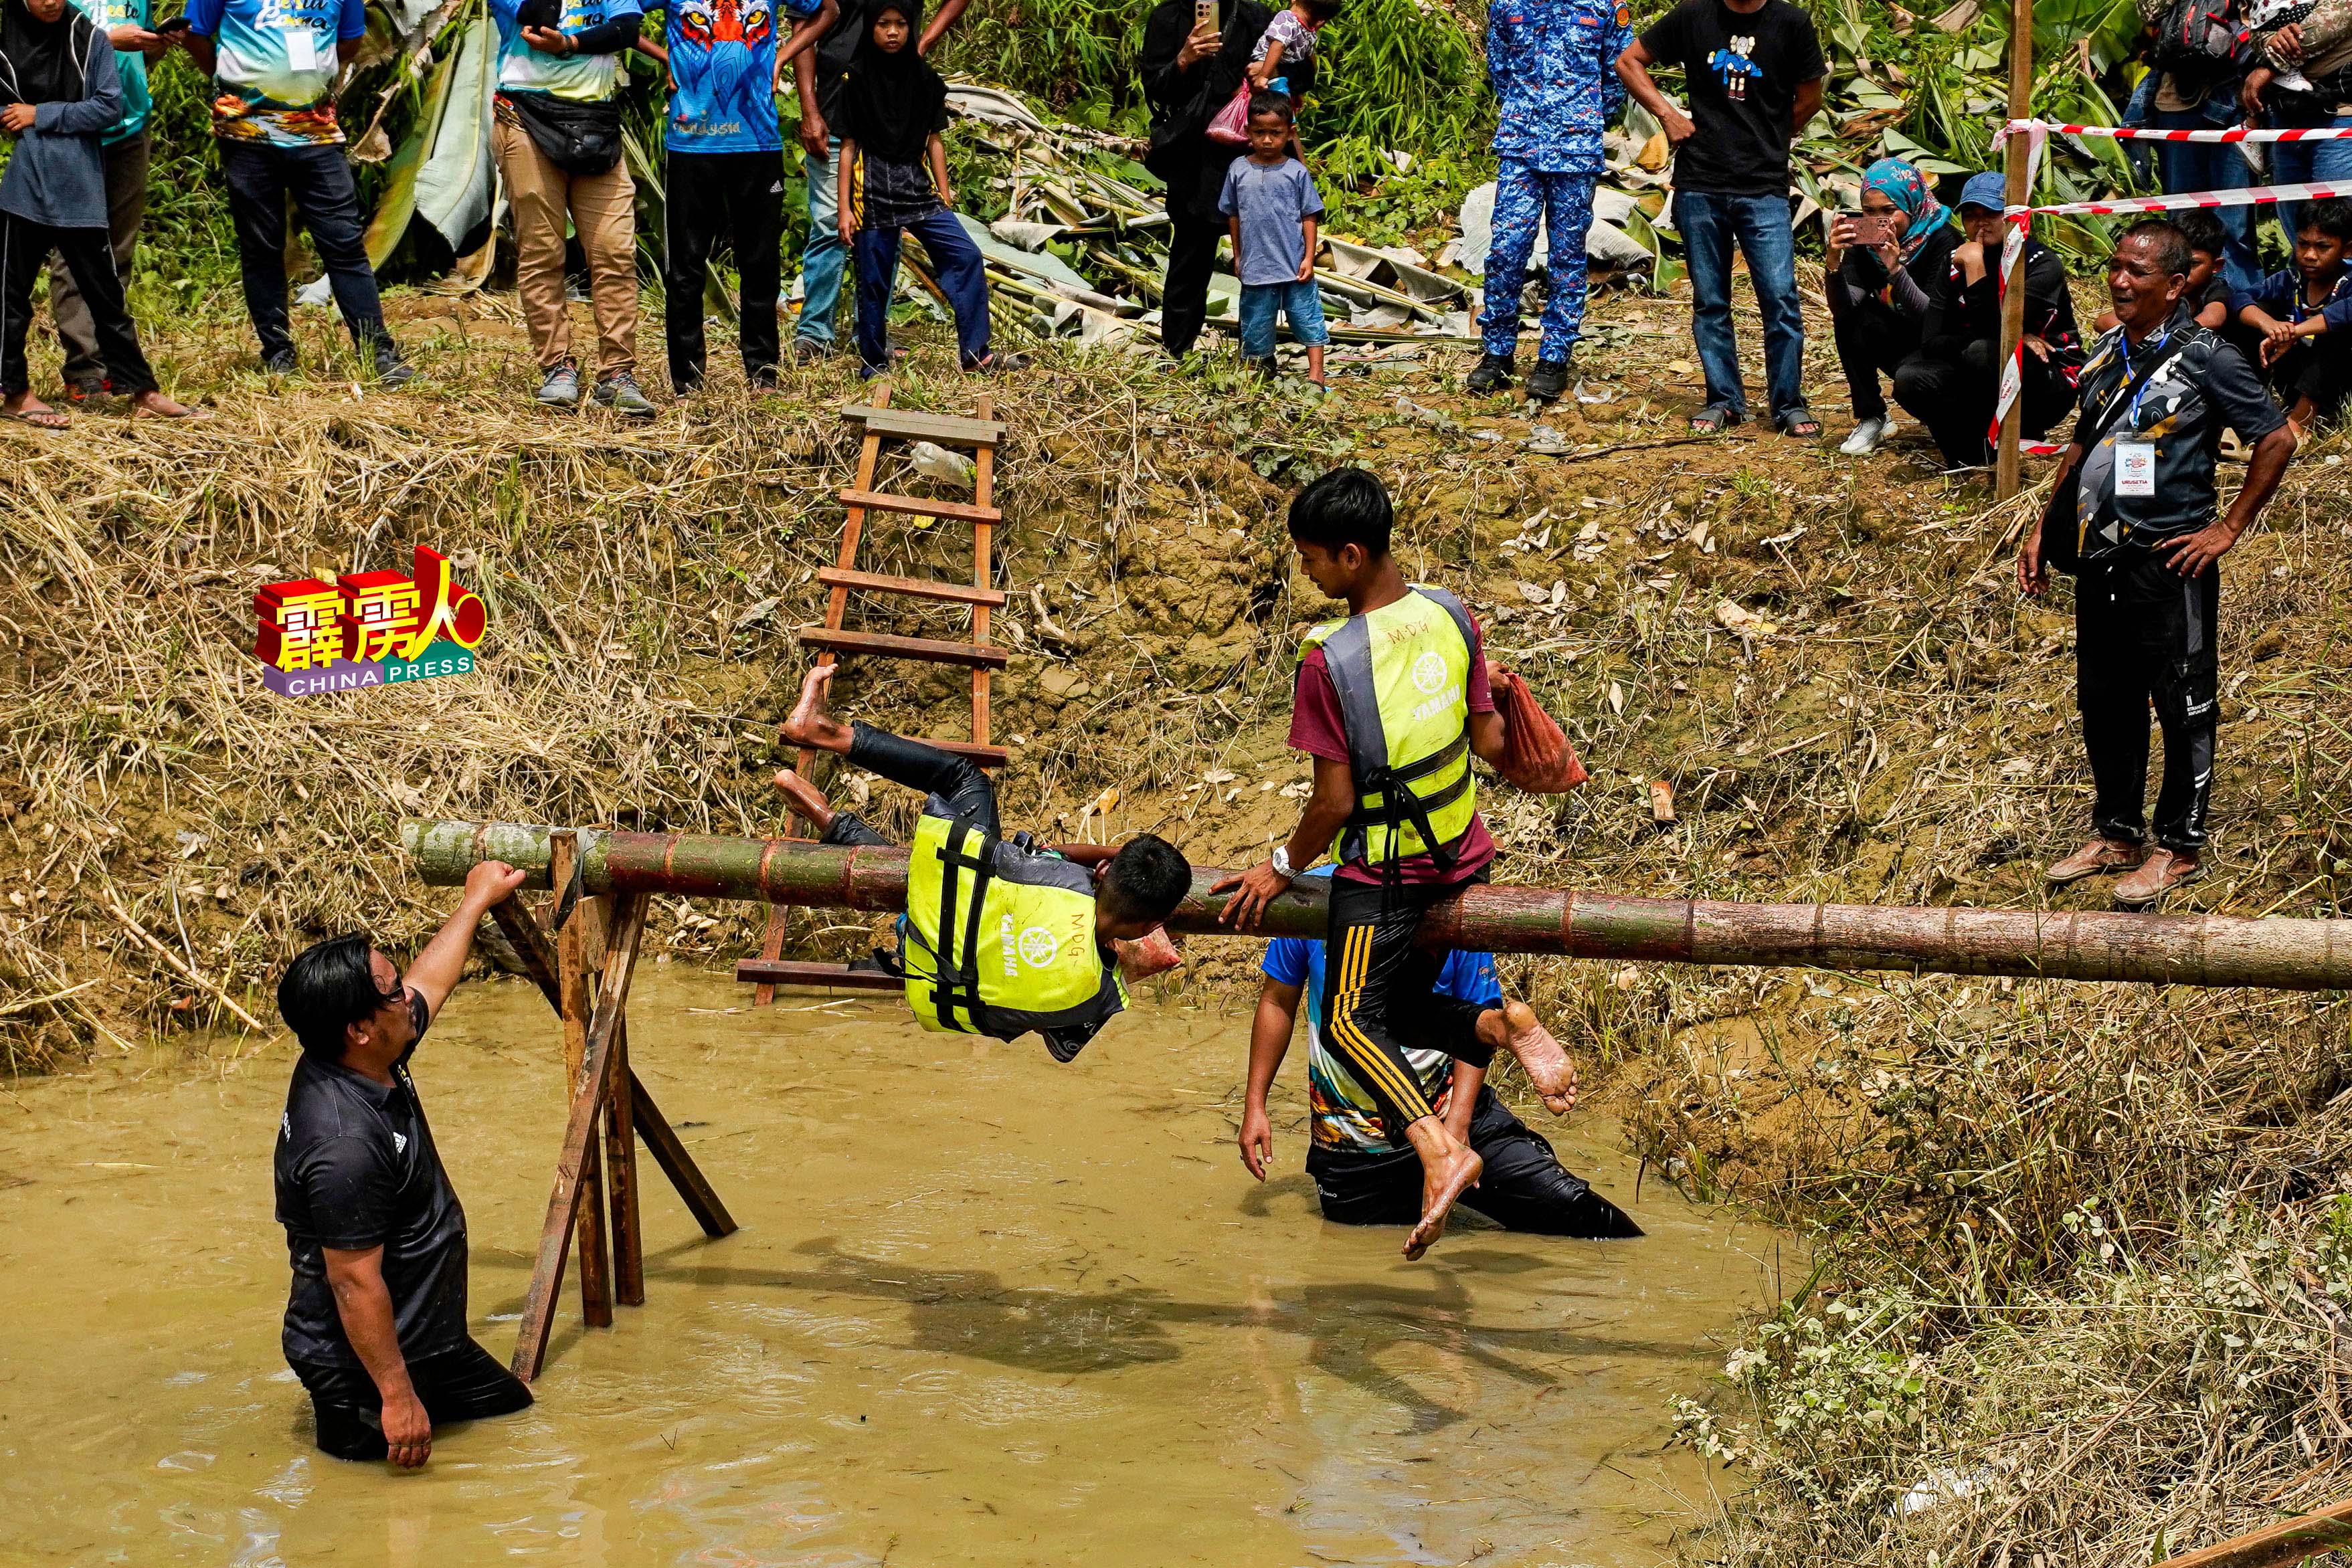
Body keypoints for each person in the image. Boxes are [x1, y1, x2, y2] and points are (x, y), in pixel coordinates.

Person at [1213, 466, 1582, 1261]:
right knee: (1400, 1005)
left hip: (1387, 873)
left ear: (1350, 555)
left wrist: (1278, 865)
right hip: (1464, 857)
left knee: (1346, 1020)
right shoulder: (1451, 614)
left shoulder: (1329, 659)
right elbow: (1487, 744)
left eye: (1311, 558)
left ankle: (1438, 1149)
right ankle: (1496, 1021)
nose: (1306, 573)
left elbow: (1334, 805)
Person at [2019, 219, 2297, 906]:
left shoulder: (2209, 357)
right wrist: (2042, 530)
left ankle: (2178, 846)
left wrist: (2226, 528)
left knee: (2181, 703)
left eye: (2137, 272)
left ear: (2175, 285)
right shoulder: (2110, 351)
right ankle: (2116, 832)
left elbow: (2276, 438)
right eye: (2114, 266)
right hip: (2098, 559)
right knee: (2104, 700)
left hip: (2169, 562)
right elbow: (2083, 446)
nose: (2118, 280)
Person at [774, 664, 1192, 1054]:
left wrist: (1114, 853)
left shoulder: (1064, 880)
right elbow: (1061, 1043)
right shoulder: (1103, 995)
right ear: (1153, 925)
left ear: (1102, 872)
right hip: (924, 965)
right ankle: (828, 818)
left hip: (938, 916)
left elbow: (1054, 853)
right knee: (942, 904)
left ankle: (826, 732)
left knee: (965, 786)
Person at [274, 858, 536, 1467]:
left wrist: (474, 903)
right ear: (361, 1027)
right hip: (365, 1365)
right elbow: (352, 1279)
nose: (407, 1000)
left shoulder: (359, 1053)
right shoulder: (343, 1147)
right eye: (391, 993)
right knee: (372, 1505)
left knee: (515, 1423)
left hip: (428, 1343)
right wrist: (396, 1397)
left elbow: (429, 987)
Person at [1245, 866, 1641, 1238]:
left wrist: (1457, 1130)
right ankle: (1496, 1034)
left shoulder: (1454, 907)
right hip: (1357, 1149)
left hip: (1458, 1119)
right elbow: (1278, 1001)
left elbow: (1476, 1004)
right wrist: (1255, 1106)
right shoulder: (1317, 897)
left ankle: (1490, 1054)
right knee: (1364, 1278)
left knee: (1588, 1218)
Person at [1616, 0, 1825, 437]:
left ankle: (1787, 403)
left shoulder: (1790, 23)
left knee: (1780, 299)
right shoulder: (1693, 17)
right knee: (1710, 301)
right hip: (1700, 184)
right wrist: (1668, 115)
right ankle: (1724, 400)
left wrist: (1769, 136)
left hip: (1763, 187)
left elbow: (1810, 97)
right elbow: (1629, 61)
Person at [180, 0, 416, 383]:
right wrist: (228, 83)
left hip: (317, 134)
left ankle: (378, 354)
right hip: (245, 134)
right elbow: (195, 34)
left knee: (344, 243)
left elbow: (348, 42)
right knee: (262, 247)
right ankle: (278, 353)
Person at [0, 0, 198, 426]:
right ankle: (16, 393)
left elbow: (110, 107)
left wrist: (41, 113)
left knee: (106, 293)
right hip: (27, 188)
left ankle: (142, 390)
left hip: (78, 187)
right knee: (10, 295)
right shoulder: (6, 45)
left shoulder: (89, 39)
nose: (50, 1)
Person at [651, 0, 835, 395]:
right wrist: (666, 55)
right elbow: (625, 14)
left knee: (760, 264)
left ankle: (763, 372)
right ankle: (688, 381)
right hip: (690, 144)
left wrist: (781, 58)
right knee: (686, 267)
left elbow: (827, 11)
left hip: (757, 142)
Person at [490, 0, 655, 415]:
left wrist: (569, 42)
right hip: (524, 118)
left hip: (595, 122)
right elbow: (537, 16)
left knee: (615, 250)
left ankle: (618, 373)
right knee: (543, 251)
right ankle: (557, 367)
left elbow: (627, 28)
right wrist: (570, 39)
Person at [1465, 0, 1633, 402]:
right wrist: (1529, 110)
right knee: (1506, 247)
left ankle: (1555, 355)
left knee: (1567, 253)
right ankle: (1498, 352)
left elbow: (1619, 72)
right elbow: (1500, 68)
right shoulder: (1508, 4)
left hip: (1576, 147)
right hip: (1521, 143)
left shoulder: (1607, 6)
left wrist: (1584, 116)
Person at [834, 0, 1008, 374]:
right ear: (871, 28)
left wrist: (944, 194)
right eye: (884, 24)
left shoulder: (925, 79)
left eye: (900, 24)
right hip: (873, 191)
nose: (893, 32)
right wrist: (845, 208)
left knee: (966, 257)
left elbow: (934, 139)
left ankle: (977, 353)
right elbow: (848, 147)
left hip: (917, 187)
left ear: (912, 27)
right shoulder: (857, 78)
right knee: (874, 281)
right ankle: (873, 363)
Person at [785, 0, 962, 361]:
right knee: (830, 224)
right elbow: (803, 28)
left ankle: (870, 333)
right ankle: (815, 333)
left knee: (886, 230)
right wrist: (809, 108)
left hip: (895, 119)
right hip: (835, 107)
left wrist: (923, 43)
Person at [1893, 170, 2083, 469]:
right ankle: (1970, 457)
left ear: (2012, 217)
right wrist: (2015, 335)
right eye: (1971, 215)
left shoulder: (2039, 263)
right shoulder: (1955, 261)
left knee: (1983, 353)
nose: (1980, 223)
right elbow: (1930, 341)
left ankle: (2025, 437)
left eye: (1991, 214)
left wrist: (1976, 269)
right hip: (1980, 363)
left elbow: (1996, 333)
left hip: (2049, 379)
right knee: (1910, 376)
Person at [1140, 0, 1273, 360]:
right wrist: (1184, 58)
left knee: (1261, 255)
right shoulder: (1168, 17)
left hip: (1251, 151)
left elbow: (1299, 74)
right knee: (1190, 254)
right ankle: (1175, 353)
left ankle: (1259, 355)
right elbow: (1154, 87)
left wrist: (1265, 72)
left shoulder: (1255, 17)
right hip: (1194, 155)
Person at [46, 0, 163, 405]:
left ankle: (115, 362)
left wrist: (158, 43)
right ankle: (84, 370)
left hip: (130, 126)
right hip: (75, 129)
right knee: (74, 251)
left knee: (118, 250)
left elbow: (146, 58)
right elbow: (42, 51)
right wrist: (110, 40)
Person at [1823, 157, 1957, 456]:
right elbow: (1846, 309)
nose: (1879, 222)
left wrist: (1896, 270)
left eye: (1889, 211)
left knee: (1916, 386)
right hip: (1899, 339)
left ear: (1911, 205)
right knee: (1852, 320)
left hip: (1938, 346)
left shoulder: (1943, 241)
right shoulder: (1865, 242)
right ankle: (1872, 416)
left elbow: (1932, 316)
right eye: (1869, 212)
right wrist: (1833, 261)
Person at [2132, 0, 2262, 291]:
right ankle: (2180, 310)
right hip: (2177, 97)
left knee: (2235, 225)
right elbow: (2149, 12)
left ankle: (2238, 309)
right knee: (2181, 220)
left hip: (2236, 96)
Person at [1218, 91, 1328, 388]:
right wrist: (1238, 256)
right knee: (1255, 320)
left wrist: (1309, 257)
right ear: (1247, 132)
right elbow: (1234, 215)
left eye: (1276, 133)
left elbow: (1309, 215)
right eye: (1260, 132)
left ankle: (1316, 373)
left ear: (1290, 133)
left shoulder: (1296, 172)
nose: (1267, 140)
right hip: (1256, 263)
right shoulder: (1238, 169)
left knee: (1306, 316)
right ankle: (1259, 368)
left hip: (1294, 264)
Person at [2227, 196, 2352, 431]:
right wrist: (2270, 325)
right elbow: (2238, 299)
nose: (2309, 255)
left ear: (2347, 249)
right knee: (2254, 313)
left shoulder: (2348, 281)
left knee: (2336, 330)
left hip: (2338, 382)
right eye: (2303, 244)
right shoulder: (2290, 279)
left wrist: (2293, 332)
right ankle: (2251, 410)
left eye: (2323, 247)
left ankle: (2298, 426)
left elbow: (2345, 312)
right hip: (2296, 379)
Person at [2246, 4, 2352, 244]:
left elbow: (2333, 20)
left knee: (2339, 230)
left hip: (2341, 116)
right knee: (2299, 238)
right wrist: (2271, 37)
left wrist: (2270, 63)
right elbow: (2254, 26)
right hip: (2288, 118)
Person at [2093, 207, 2233, 334]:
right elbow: (2103, 322)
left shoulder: (2215, 289)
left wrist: (2169, 341)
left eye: (2193, 264)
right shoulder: (2160, 289)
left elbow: (2213, 319)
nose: (2183, 270)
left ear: (2216, 266)